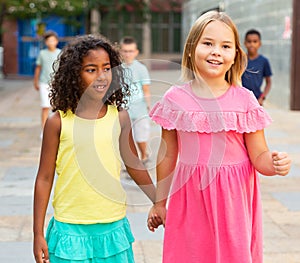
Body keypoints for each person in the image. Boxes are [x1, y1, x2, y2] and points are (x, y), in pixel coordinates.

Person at [147, 11, 291, 263]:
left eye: (225, 46)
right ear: (191, 49)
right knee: (189, 254)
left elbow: (259, 155)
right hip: (190, 196)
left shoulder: (244, 99)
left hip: (232, 198)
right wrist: (159, 202)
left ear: (235, 54)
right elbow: (168, 153)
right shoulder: (174, 99)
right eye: (208, 43)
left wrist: (274, 164)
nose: (216, 51)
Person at [33, 34, 156, 263]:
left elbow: (134, 164)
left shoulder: (119, 117)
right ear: (74, 75)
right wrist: (37, 233)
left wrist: (158, 200)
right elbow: (44, 177)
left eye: (107, 68)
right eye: (91, 70)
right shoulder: (58, 121)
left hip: (112, 226)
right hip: (70, 227)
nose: (101, 77)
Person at [119, 36, 151, 162]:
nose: (128, 54)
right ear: (121, 52)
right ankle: (132, 161)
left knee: (141, 137)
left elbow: (146, 89)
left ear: (136, 52)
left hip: (140, 109)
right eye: (125, 51)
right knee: (126, 138)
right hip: (124, 110)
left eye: (131, 51)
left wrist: (149, 106)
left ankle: (144, 156)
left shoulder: (141, 69)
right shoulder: (118, 69)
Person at [33, 30, 61, 131]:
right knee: (45, 107)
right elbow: (38, 68)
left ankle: (55, 130)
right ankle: (44, 130)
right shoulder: (42, 53)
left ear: (56, 41)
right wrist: (35, 81)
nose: (51, 42)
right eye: (49, 40)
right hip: (44, 83)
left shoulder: (60, 53)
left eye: (53, 40)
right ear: (46, 42)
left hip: (56, 84)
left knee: (56, 108)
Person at [241, 29, 272, 106]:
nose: (252, 44)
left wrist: (262, 97)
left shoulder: (264, 61)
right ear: (245, 43)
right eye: (249, 41)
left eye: (255, 41)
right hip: (240, 98)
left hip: (256, 99)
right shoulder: (240, 60)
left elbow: (268, 82)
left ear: (259, 44)